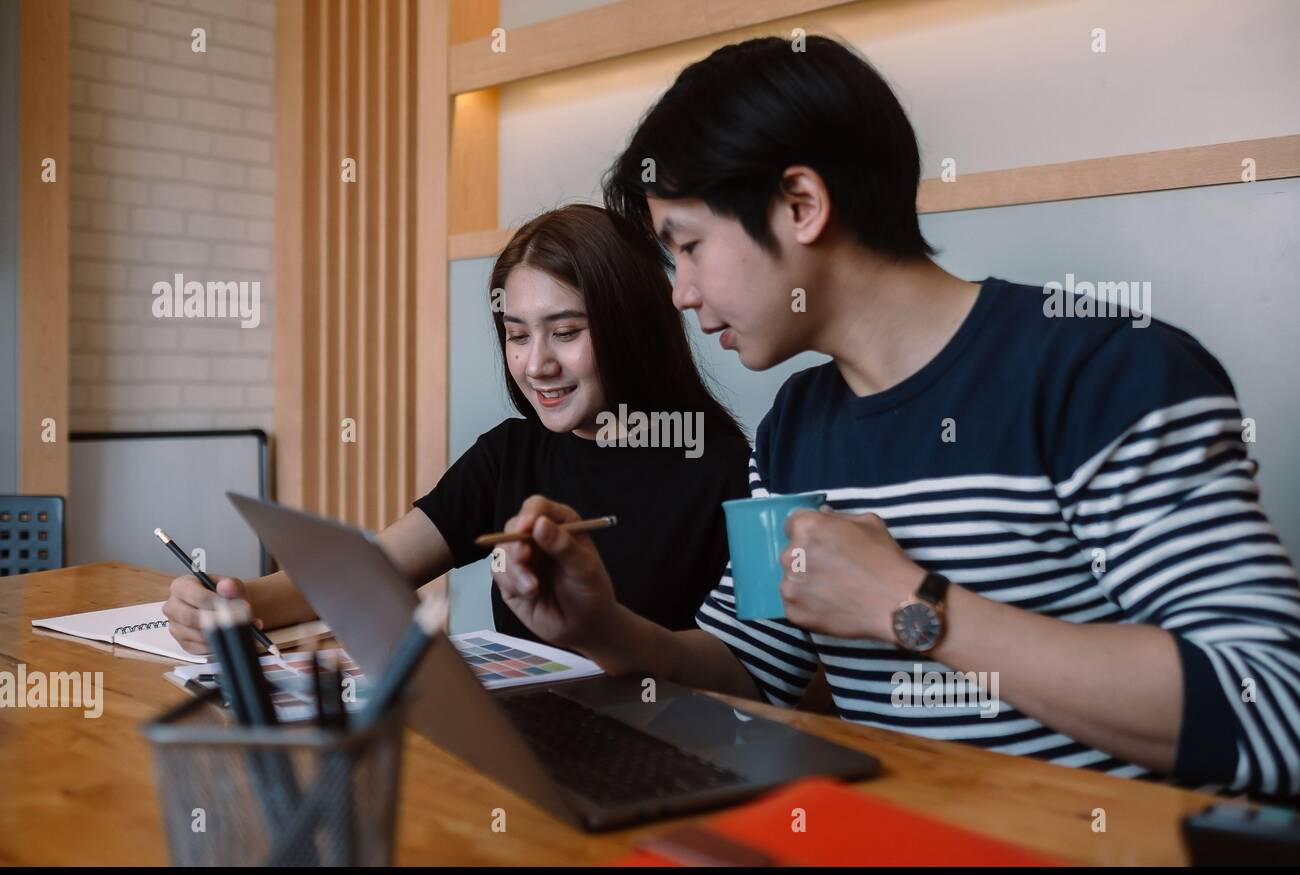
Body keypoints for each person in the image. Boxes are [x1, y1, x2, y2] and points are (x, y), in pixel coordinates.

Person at [488, 37, 1300, 797]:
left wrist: (911, 607)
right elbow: (750, 671)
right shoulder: (793, 429)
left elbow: (1269, 709)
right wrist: (604, 628)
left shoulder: (1105, 373)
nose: (681, 293)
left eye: (690, 245)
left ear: (800, 204)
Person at [164, 203, 751, 650]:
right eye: (518, 335)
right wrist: (241, 601)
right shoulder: (509, 454)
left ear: (631, 327)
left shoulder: (728, 468)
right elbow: (376, 568)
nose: (536, 363)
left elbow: (772, 677)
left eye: (566, 333)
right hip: (537, 744)